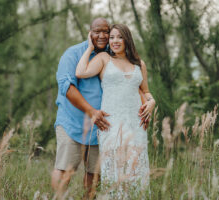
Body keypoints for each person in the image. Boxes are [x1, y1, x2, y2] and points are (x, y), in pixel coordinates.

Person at [51, 19, 149, 199]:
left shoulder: (112, 55)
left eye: (107, 32)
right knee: (65, 169)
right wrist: (91, 111)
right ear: (89, 32)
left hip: (103, 126)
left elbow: (131, 85)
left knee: (94, 174)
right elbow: (67, 88)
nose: (103, 36)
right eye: (97, 31)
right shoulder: (73, 53)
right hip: (74, 123)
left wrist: (146, 105)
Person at [76, 24, 156, 198]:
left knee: (136, 172)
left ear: (127, 39)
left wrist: (152, 102)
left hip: (136, 125)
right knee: (114, 173)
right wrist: (90, 47)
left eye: (119, 37)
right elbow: (81, 72)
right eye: (111, 37)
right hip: (111, 126)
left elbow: (146, 91)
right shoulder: (104, 58)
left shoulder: (139, 64)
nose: (114, 41)